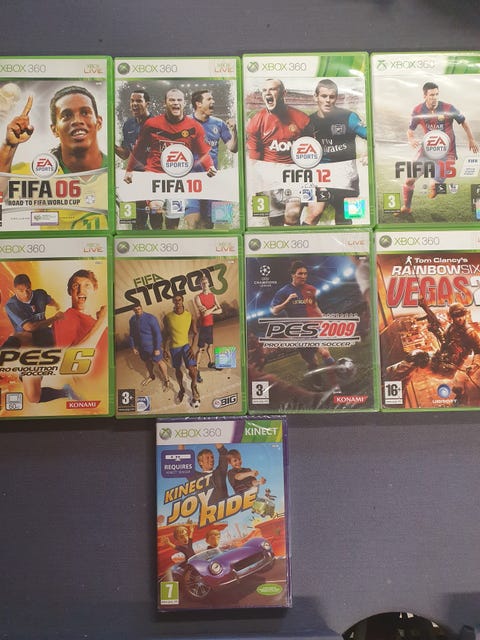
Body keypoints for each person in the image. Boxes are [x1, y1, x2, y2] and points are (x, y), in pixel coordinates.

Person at [123, 88, 216, 230]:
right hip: (155, 175)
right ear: (165, 103)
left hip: (178, 178)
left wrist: (210, 166)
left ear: (184, 103)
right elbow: (138, 149)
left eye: (179, 100)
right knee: (155, 209)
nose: (175, 103)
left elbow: (203, 152)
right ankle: (157, 235)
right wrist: (129, 169)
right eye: (172, 100)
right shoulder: (152, 124)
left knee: (173, 222)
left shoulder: (194, 127)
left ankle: (170, 240)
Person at [399, 82, 479, 217]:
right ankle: (407, 208)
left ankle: (435, 186)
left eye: (436, 94)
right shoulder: (418, 110)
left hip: (447, 153)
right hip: (427, 151)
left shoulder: (448, 108)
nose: (435, 97)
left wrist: (471, 139)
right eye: (431, 95)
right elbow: (410, 130)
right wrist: (411, 139)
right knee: (409, 180)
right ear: (424, 96)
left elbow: (463, 121)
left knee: (433, 185)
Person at [3, 273, 78, 404]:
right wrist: (55, 318)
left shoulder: (40, 294)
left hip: (47, 338)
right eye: (21, 291)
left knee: (21, 337)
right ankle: (65, 392)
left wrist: (56, 305)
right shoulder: (11, 305)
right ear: (15, 290)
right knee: (33, 397)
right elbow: (30, 327)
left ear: (31, 286)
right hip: (29, 345)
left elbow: (50, 300)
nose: (25, 294)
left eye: (28, 289)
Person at [302, 78, 367, 226]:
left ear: (336, 98)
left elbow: (370, 134)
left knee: (346, 218)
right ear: (316, 97)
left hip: (348, 178)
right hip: (322, 177)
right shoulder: (308, 122)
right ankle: (302, 240)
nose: (328, 100)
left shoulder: (349, 117)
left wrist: (367, 152)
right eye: (324, 96)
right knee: (314, 214)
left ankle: (347, 241)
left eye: (332, 97)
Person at [0, 86, 106, 176]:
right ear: (54, 130)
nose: (77, 121)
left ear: (99, 122)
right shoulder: (32, 174)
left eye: (85, 113)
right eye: (67, 115)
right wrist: (9, 146)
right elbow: (2, 189)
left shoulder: (114, 168)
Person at [246, 78, 310, 225]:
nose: (268, 93)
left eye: (272, 89)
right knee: (275, 222)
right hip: (269, 177)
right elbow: (254, 160)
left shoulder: (302, 119)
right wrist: (256, 186)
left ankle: (298, 237)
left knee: (292, 215)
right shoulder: (256, 121)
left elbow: (313, 154)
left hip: (294, 175)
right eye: (264, 90)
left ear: (283, 93)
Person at [186, 89, 238, 228]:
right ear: (198, 104)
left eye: (212, 99)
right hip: (191, 181)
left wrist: (234, 130)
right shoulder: (185, 122)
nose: (213, 101)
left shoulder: (219, 123)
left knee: (211, 224)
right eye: (209, 99)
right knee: (194, 223)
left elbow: (233, 148)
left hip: (213, 180)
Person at [270, 260, 335, 372]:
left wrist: (324, 319)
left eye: (305, 273)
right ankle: (315, 375)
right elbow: (274, 311)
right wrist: (287, 301)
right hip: (299, 332)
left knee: (325, 353)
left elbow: (315, 306)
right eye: (300, 273)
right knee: (312, 362)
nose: (303, 276)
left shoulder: (311, 289)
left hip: (314, 326)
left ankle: (337, 378)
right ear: (293, 274)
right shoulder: (283, 292)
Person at [115, 89, 162, 230]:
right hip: (135, 178)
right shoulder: (128, 125)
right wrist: (110, 145)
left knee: (156, 218)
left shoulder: (158, 124)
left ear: (147, 104)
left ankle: (159, 241)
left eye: (139, 101)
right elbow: (125, 154)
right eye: (132, 101)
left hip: (154, 177)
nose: (134, 104)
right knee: (138, 222)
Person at [53, 269, 107, 348]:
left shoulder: (97, 322)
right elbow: (69, 355)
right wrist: (103, 321)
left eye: (87, 285)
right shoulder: (63, 319)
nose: (81, 291)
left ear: (94, 289)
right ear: (70, 291)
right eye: (76, 286)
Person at [163, 294, 200, 406]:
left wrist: (192, 347)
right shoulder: (167, 317)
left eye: (179, 300)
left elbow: (195, 333)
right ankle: (181, 389)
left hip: (186, 346)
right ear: (173, 302)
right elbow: (166, 335)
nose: (177, 302)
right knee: (178, 370)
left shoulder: (190, 315)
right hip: (174, 347)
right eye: (175, 300)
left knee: (193, 370)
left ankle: (193, 387)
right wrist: (164, 349)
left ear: (182, 300)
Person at [128, 303, 169, 389]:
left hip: (152, 346)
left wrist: (157, 348)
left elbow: (157, 334)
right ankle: (151, 376)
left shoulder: (151, 318)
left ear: (141, 308)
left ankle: (166, 379)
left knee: (159, 362)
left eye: (139, 309)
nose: (137, 311)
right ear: (133, 310)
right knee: (147, 361)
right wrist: (133, 347)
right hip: (141, 347)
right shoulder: (132, 320)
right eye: (135, 310)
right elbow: (131, 334)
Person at [194, 275, 222, 383]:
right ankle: (196, 370)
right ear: (201, 285)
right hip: (203, 326)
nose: (205, 284)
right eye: (203, 283)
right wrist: (214, 307)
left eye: (206, 282)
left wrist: (212, 310)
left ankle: (211, 363)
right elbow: (205, 314)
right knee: (200, 349)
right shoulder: (198, 297)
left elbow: (221, 310)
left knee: (210, 345)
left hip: (210, 325)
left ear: (209, 284)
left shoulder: (213, 295)